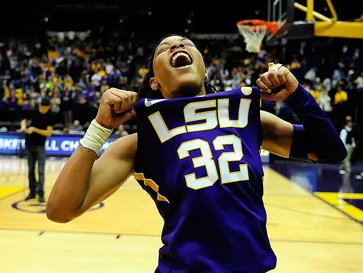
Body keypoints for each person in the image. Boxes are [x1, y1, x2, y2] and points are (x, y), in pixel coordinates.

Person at [46, 35, 347, 272]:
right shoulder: (140, 142)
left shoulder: (248, 118)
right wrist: (100, 128)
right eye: (165, 48)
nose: (177, 45)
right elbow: (61, 209)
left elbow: (332, 151)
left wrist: (297, 95)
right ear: (155, 82)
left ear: (204, 70)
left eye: (186, 44)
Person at [21, 96, 54, 203]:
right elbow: (23, 119)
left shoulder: (50, 116)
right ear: (40, 106)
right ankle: (32, 192)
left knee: (40, 171)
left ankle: (41, 193)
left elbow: (48, 132)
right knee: (30, 171)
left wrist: (34, 129)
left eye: (46, 108)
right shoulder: (33, 112)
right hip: (30, 145)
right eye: (43, 108)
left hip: (40, 146)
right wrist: (23, 127)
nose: (44, 110)